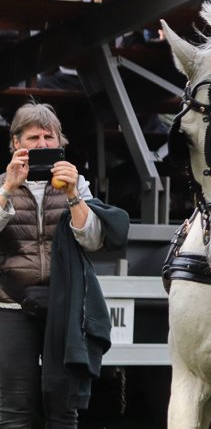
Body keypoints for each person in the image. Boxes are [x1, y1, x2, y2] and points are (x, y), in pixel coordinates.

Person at [0, 102, 128, 428]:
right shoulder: (2, 184)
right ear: (16, 142)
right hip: (11, 304)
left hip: (65, 305)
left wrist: (72, 194)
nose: (42, 144)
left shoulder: (76, 182)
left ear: (60, 143)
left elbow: (93, 241)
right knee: (14, 408)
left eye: (49, 137)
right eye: (33, 138)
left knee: (64, 409)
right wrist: (8, 189)